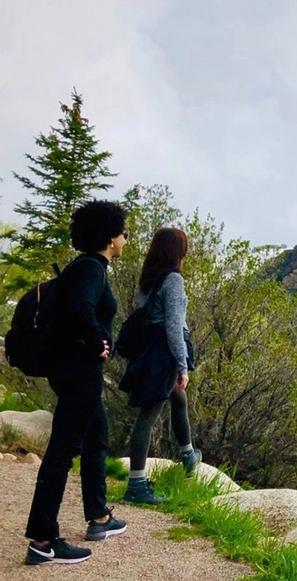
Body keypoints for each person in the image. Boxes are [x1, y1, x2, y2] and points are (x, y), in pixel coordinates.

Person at [25, 200, 129, 566]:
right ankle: (42, 539)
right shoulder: (91, 269)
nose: (126, 238)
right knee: (61, 452)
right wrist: (99, 340)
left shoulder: (86, 267)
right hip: (79, 373)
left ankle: (99, 517)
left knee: (97, 433)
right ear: (109, 236)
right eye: (123, 231)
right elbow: (81, 309)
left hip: (73, 371)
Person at [122, 227, 200, 505]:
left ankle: (188, 455)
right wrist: (182, 365)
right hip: (164, 354)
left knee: (178, 398)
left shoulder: (147, 282)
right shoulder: (173, 281)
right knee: (149, 414)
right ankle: (137, 484)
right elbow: (173, 327)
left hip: (147, 351)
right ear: (177, 252)